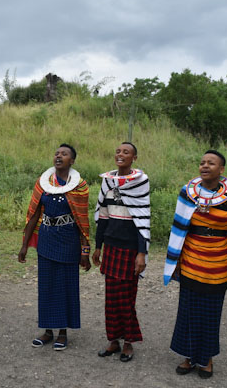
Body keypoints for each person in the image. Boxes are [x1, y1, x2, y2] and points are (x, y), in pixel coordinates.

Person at [164, 150, 227, 379]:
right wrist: (176, 263)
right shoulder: (187, 193)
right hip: (191, 260)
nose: (205, 166)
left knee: (211, 312)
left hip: (217, 264)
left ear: (221, 170)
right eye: (202, 162)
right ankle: (189, 356)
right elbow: (179, 228)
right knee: (188, 310)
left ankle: (206, 358)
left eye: (211, 163)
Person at [18, 144, 91, 351]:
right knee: (47, 285)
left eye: (64, 154)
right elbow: (34, 215)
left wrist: (84, 253)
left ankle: (63, 333)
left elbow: (83, 222)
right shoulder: (43, 184)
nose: (59, 156)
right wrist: (24, 245)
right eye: (57, 153)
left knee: (66, 285)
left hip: (68, 241)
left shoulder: (80, 186)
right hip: (47, 239)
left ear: (72, 161)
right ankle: (47, 331)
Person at [92, 142, 150, 362]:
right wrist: (98, 246)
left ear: (134, 157)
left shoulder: (140, 182)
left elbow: (142, 220)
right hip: (111, 247)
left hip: (130, 249)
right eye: (118, 151)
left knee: (127, 297)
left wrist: (141, 253)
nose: (120, 154)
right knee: (111, 297)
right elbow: (103, 216)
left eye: (126, 152)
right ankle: (113, 340)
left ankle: (128, 342)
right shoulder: (108, 181)